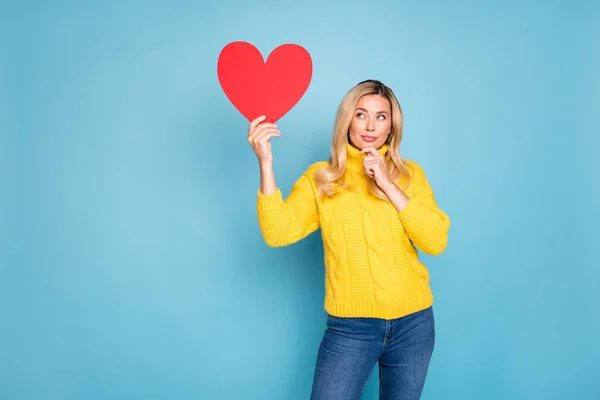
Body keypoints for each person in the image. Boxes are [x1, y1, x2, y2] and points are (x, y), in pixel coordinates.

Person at [247, 79, 450, 400]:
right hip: (351, 328)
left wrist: (387, 184)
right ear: (347, 121)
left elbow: (436, 241)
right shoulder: (322, 178)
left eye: (381, 116)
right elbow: (277, 233)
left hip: (414, 325)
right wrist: (266, 163)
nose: (370, 125)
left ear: (391, 127)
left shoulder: (410, 175)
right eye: (361, 114)